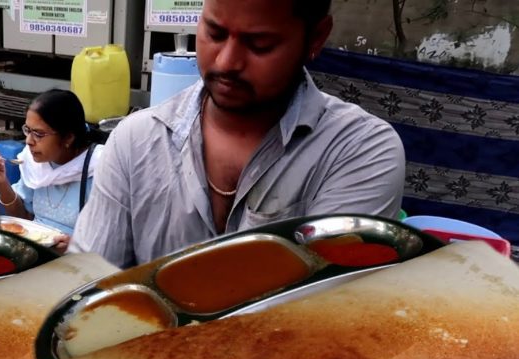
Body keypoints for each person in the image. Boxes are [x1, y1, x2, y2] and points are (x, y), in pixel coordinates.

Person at [70, 0, 406, 268]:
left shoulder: (358, 151)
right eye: (214, 33)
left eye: (259, 44)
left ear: (315, 38)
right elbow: (86, 286)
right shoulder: (135, 140)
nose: (227, 62)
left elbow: (320, 317)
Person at [0, 89, 103, 253]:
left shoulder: (100, 169)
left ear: (68, 138)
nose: (29, 141)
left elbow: (115, 242)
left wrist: (75, 246)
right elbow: (24, 220)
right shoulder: (35, 163)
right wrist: (1, 182)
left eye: (39, 134)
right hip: (38, 253)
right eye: (28, 130)